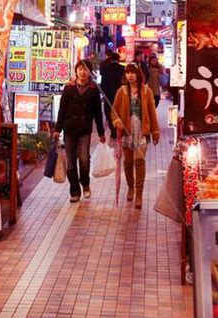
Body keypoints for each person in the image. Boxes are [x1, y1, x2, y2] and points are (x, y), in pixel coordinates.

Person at [54, 59, 105, 203]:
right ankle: (74, 191)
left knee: (84, 159)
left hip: (84, 129)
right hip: (69, 128)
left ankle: (85, 183)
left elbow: (98, 113)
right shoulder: (69, 88)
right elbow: (62, 109)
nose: (82, 72)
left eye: (85, 69)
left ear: (90, 72)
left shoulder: (94, 90)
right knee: (71, 162)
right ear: (76, 71)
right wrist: (58, 128)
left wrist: (101, 132)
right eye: (80, 69)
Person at [112, 63, 160, 208]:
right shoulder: (121, 91)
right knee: (127, 162)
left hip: (141, 131)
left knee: (139, 160)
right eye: (127, 73)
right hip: (127, 132)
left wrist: (155, 131)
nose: (130, 75)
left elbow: (152, 112)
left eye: (133, 72)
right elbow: (113, 111)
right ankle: (130, 187)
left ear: (138, 74)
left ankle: (139, 193)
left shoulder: (146, 91)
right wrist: (116, 120)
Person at [100, 52, 125, 139]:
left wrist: (103, 93)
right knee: (119, 112)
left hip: (108, 95)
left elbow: (103, 83)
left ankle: (113, 131)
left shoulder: (106, 69)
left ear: (110, 59)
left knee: (109, 112)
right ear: (118, 59)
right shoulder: (123, 69)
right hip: (121, 94)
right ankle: (120, 129)